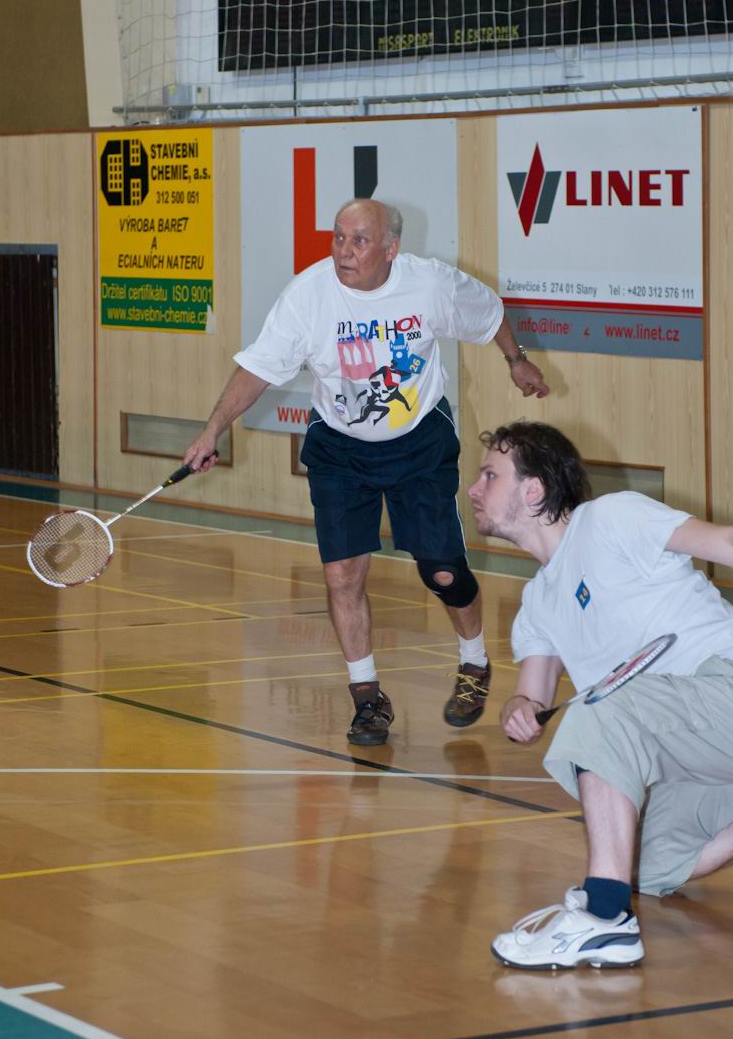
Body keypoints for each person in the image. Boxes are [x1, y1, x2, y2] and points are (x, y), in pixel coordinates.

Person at [183, 199, 548, 746]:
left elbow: (490, 313)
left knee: (442, 571)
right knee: (342, 575)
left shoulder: (428, 285)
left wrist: (516, 360)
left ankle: (474, 661)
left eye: (359, 241)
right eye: (338, 238)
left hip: (418, 439)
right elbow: (257, 368)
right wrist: (213, 429)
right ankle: (367, 697)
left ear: (391, 249)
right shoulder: (307, 296)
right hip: (339, 448)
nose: (344, 251)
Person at [467, 420, 733, 969]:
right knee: (650, 864)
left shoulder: (610, 519)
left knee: (602, 711)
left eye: (490, 476)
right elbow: (532, 694)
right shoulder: (537, 603)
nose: (473, 489)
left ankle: (607, 920)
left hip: (722, 682)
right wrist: (519, 711)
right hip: (690, 741)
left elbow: (725, 543)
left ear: (533, 490)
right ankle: (617, 893)